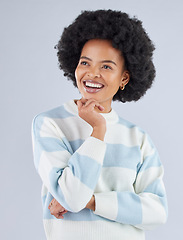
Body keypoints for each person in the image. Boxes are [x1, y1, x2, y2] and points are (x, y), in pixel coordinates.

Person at [32, 9, 168, 240]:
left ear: (124, 77)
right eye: (85, 62)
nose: (92, 74)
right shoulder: (50, 124)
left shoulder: (138, 137)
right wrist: (98, 131)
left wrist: (93, 202)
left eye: (106, 66)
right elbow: (72, 197)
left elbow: (157, 212)